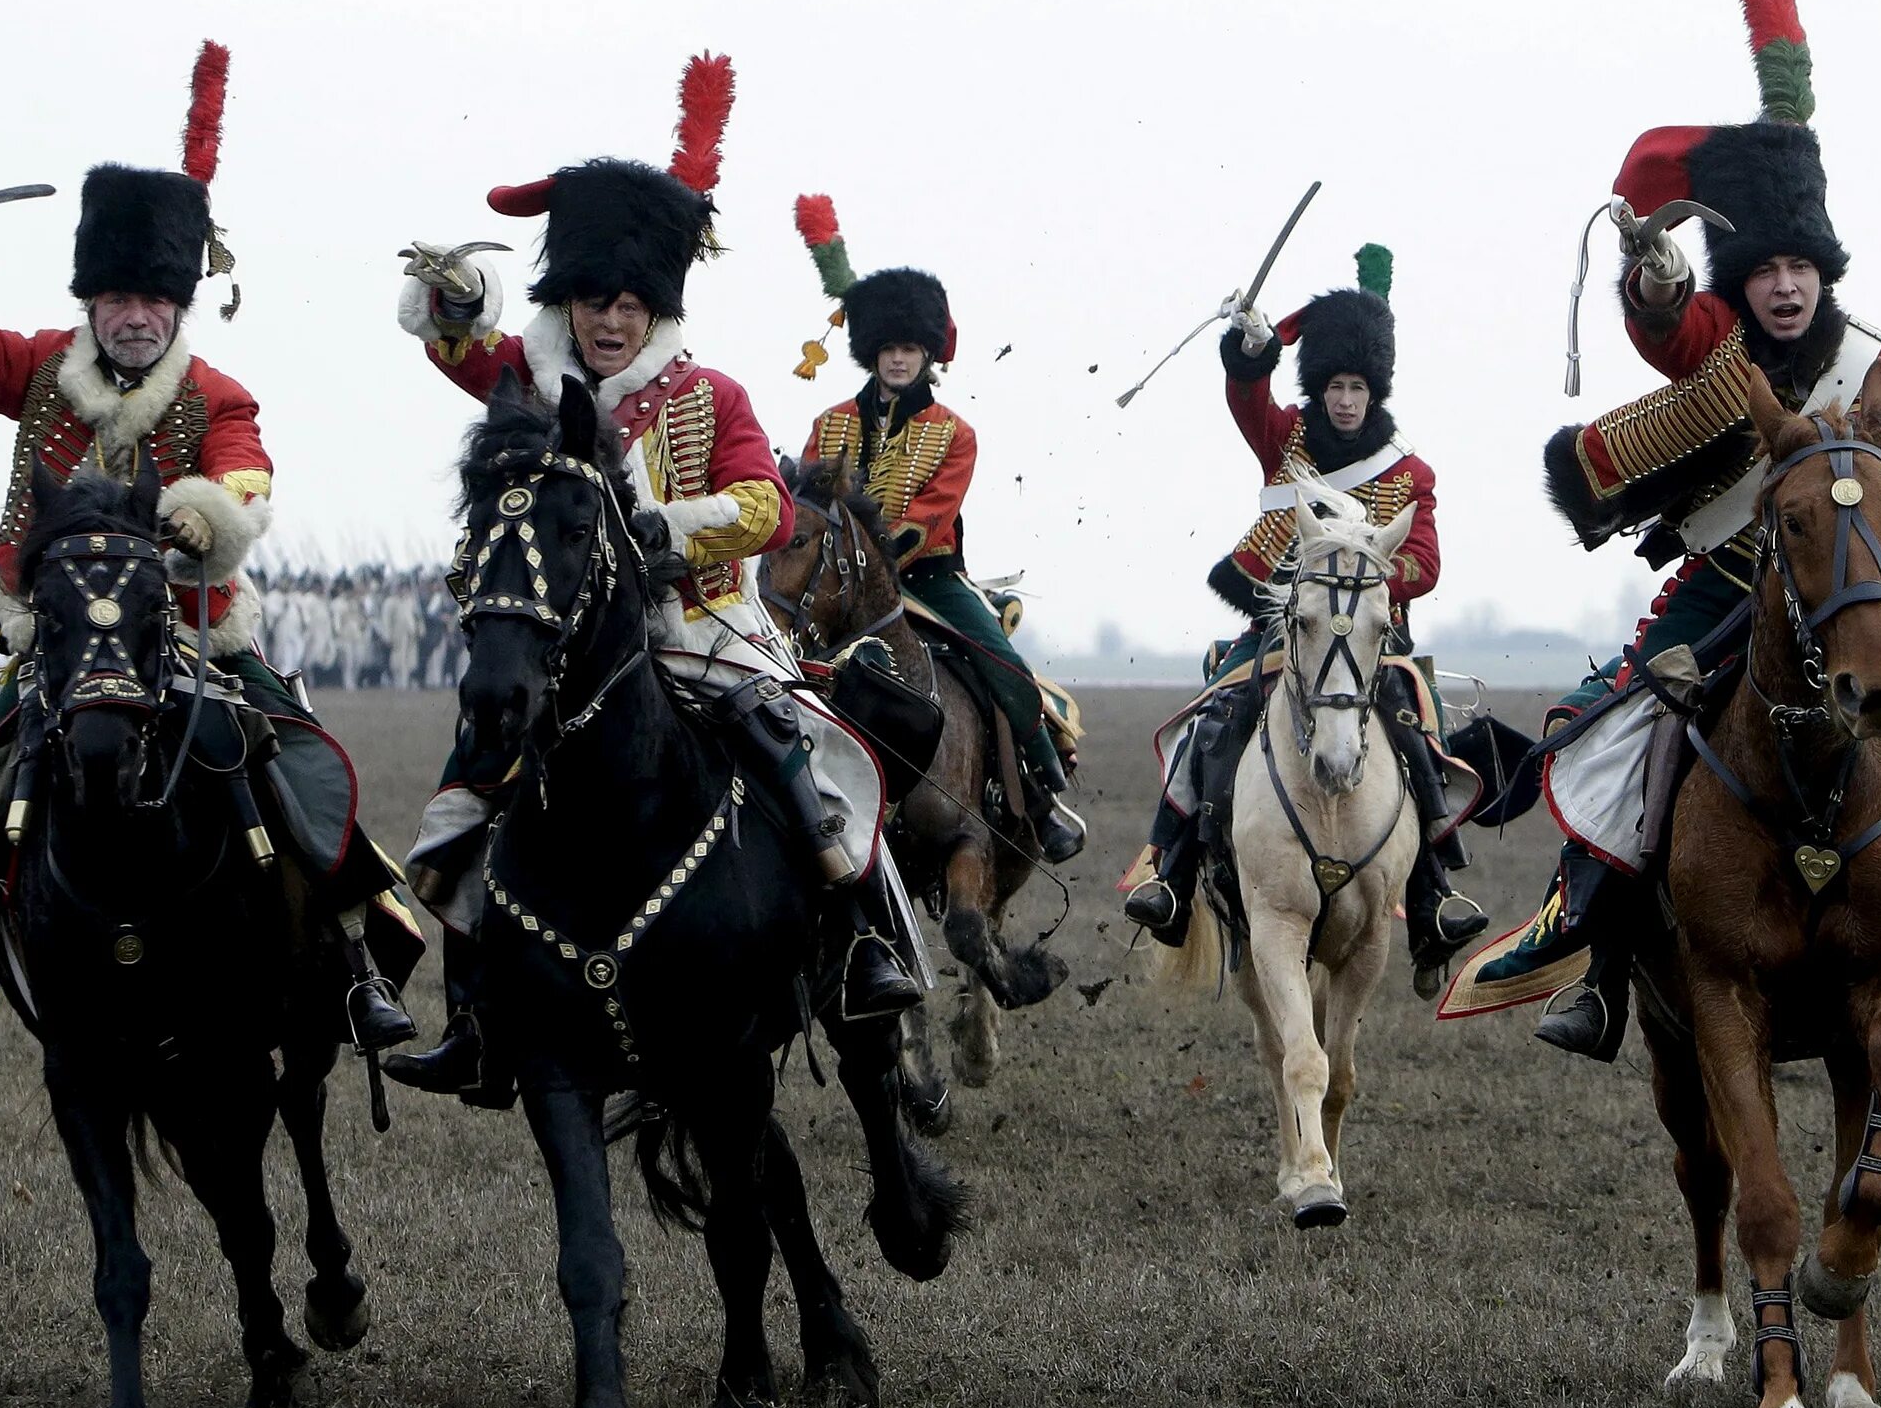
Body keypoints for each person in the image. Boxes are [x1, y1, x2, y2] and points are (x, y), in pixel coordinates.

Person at [1453, 0, 1881, 1065]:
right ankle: (1599, 967)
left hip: (1861, 594)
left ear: (1823, 270)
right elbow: (1666, 331)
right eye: (1762, 268)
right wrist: (1658, 282)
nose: (1783, 286)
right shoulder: (1718, 342)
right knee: (1617, 732)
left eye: (1799, 267)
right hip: (1721, 592)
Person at [0, 41, 418, 1088]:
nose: (134, 314)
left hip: (195, 635)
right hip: (60, 643)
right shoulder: (41, 372)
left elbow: (246, 478)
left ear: (176, 305)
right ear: (93, 301)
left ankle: (352, 968)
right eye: (115, 297)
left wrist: (211, 517)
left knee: (298, 763)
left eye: (152, 300)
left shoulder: (219, 397)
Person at [386, 53, 917, 1100]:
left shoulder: (710, 394)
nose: (610, 319)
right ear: (567, 301)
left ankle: (866, 944)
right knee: (470, 783)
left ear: (656, 305)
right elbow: (455, 334)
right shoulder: (528, 380)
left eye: (630, 302)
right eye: (592, 298)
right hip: (568, 646)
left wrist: (668, 529)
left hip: (706, 630)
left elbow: (764, 506)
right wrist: (453, 291)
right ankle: (472, 1012)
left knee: (812, 768)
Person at [1116, 245, 1483, 978]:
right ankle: (1172, 872)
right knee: (1213, 722)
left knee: (1413, 729)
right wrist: (1252, 352)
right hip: (1283, 629)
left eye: (1356, 386)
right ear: (1318, 386)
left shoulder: (1411, 473)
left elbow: (1427, 565)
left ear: (1373, 390)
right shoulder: (1289, 440)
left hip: (1375, 640)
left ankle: (1437, 888)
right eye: (1335, 386)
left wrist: (1366, 572)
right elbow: (1247, 400)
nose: (1345, 399)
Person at [789, 196, 1085, 865]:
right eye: (889, 347)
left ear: (928, 354)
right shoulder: (828, 425)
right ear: (871, 352)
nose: (898, 359)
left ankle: (1040, 790)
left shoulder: (955, 433)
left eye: (910, 348)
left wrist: (879, 553)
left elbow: (932, 515)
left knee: (1004, 666)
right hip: (837, 582)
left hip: (927, 580)